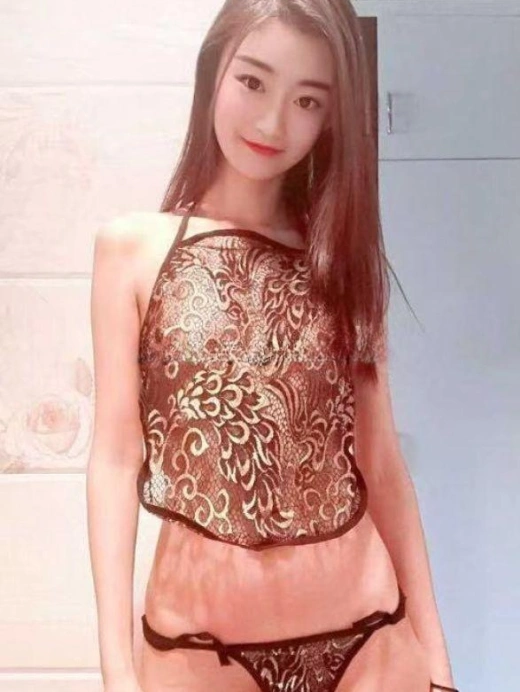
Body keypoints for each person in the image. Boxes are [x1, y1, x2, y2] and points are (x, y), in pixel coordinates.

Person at [87, 1, 459, 691]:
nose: (270, 123)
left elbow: (381, 465)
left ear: (330, 117)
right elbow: (115, 459)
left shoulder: (341, 263)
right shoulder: (130, 252)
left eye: (307, 100)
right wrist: (115, 670)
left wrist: (437, 662)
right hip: (198, 650)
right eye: (253, 82)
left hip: (369, 637)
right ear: (214, 72)